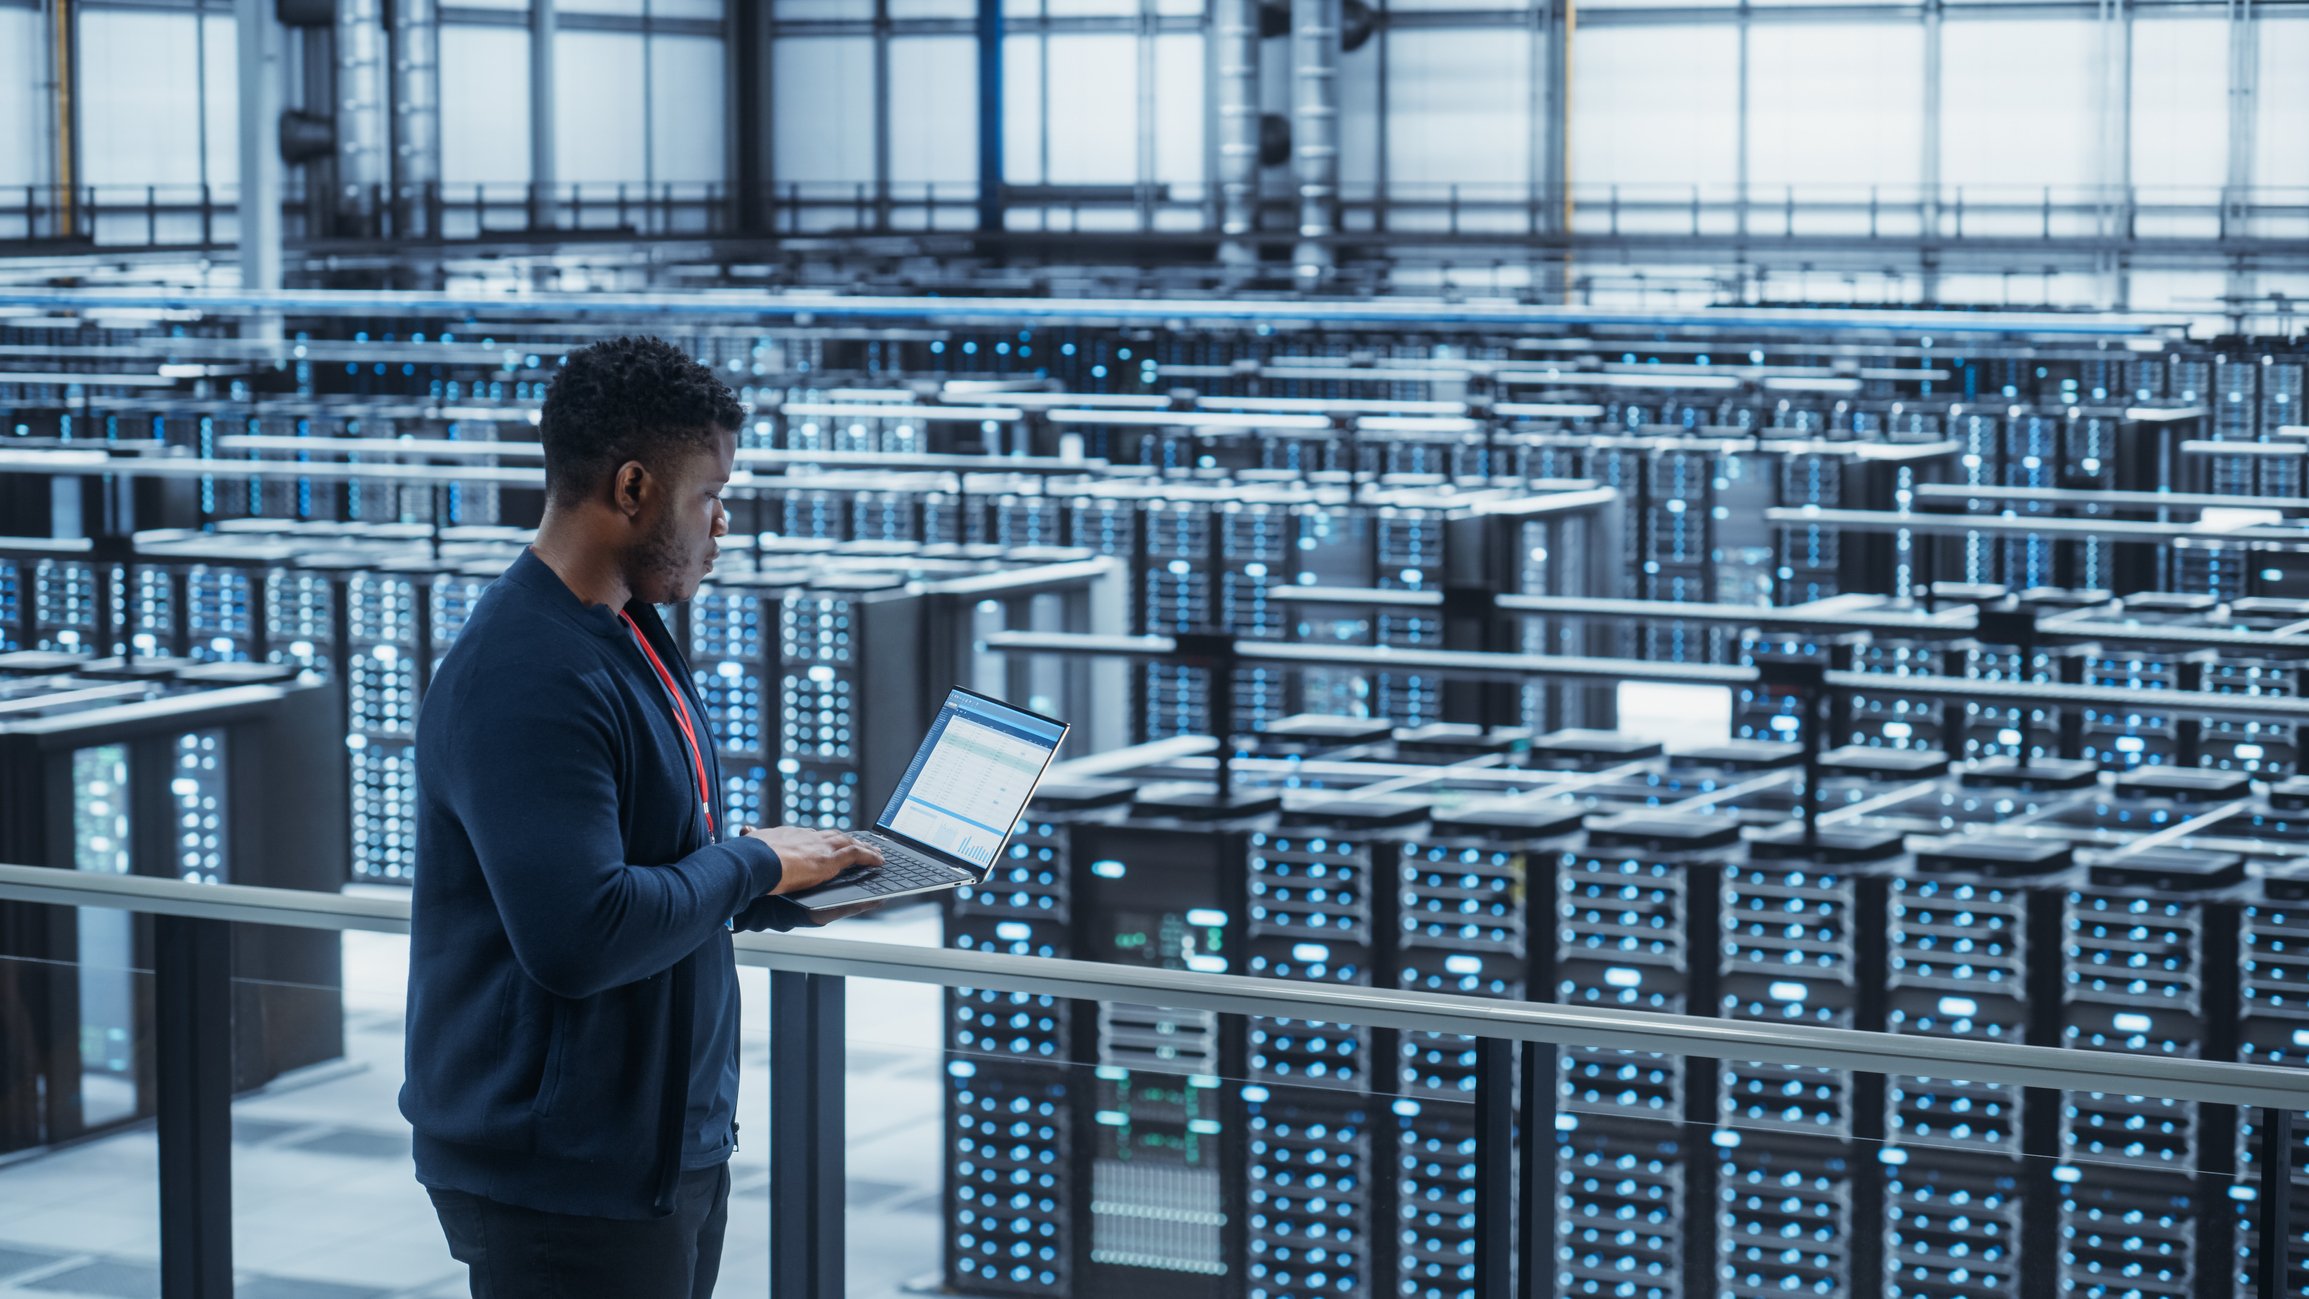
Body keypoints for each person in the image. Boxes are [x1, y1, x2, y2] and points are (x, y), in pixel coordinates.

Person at [400, 335, 884, 1299]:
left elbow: (652, 862)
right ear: (632, 489)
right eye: (709, 495)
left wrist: (786, 880)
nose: (723, 523)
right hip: (562, 1177)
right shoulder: (527, 672)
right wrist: (750, 863)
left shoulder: (625, 636)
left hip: (655, 1151)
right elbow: (579, 935)